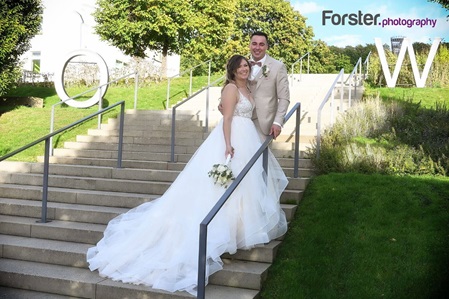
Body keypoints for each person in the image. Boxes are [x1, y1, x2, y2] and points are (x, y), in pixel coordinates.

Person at [86, 55, 288, 296]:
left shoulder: (249, 86)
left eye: (246, 66)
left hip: (249, 139)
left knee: (243, 187)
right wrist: (227, 144)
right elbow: (226, 118)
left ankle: (237, 230)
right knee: (222, 187)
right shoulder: (232, 88)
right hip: (233, 138)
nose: (244, 69)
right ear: (232, 71)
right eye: (240, 66)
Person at [219, 31, 290, 140]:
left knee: (259, 156)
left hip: (264, 124)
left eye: (261, 44)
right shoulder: (242, 65)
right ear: (249, 45)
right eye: (254, 43)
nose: (257, 47)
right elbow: (232, 85)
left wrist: (278, 122)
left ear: (267, 46)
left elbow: (284, 98)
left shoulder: (278, 67)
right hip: (239, 122)